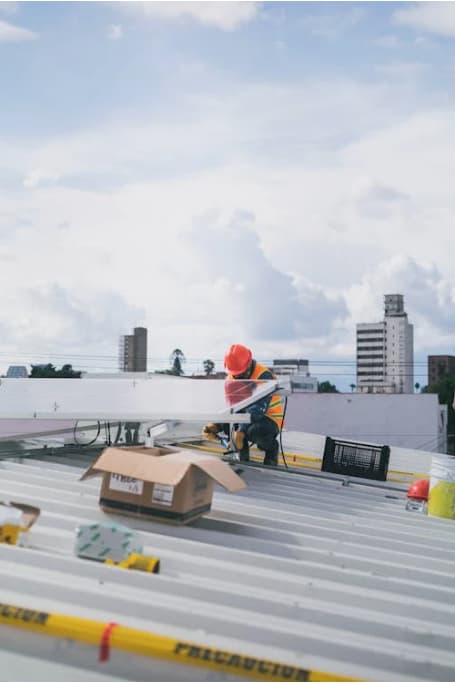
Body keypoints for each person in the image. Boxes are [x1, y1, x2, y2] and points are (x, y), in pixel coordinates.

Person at [202, 344, 284, 466]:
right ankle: (242, 460)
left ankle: (271, 451)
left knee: (254, 431)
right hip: (245, 416)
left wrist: (241, 431)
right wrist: (216, 425)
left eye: (240, 373)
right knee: (230, 426)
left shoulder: (263, 375)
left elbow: (257, 410)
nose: (237, 377)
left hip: (269, 418)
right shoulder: (231, 378)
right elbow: (231, 408)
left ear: (249, 364)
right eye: (235, 374)